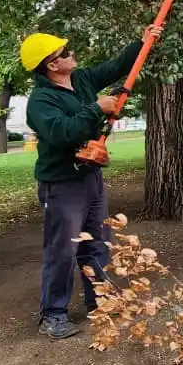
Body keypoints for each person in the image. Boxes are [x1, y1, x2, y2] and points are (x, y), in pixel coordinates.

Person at [20, 25, 160, 339]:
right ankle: (53, 315)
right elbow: (62, 132)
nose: (72, 53)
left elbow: (116, 66)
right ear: (52, 64)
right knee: (63, 250)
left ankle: (100, 301)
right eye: (65, 52)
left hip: (90, 178)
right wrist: (96, 108)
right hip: (62, 185)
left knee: (97, 244)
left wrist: (142, 42)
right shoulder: (41, 101)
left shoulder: (81, 79)